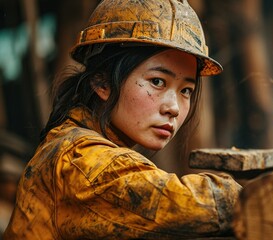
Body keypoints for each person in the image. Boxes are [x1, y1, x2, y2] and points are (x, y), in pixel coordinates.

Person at [4, 0, 242, 239]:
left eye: (186, 91)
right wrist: (254, 197)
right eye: (157, 81)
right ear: (102, 83)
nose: (174, 108)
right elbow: (178, 202)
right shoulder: (79, 160)